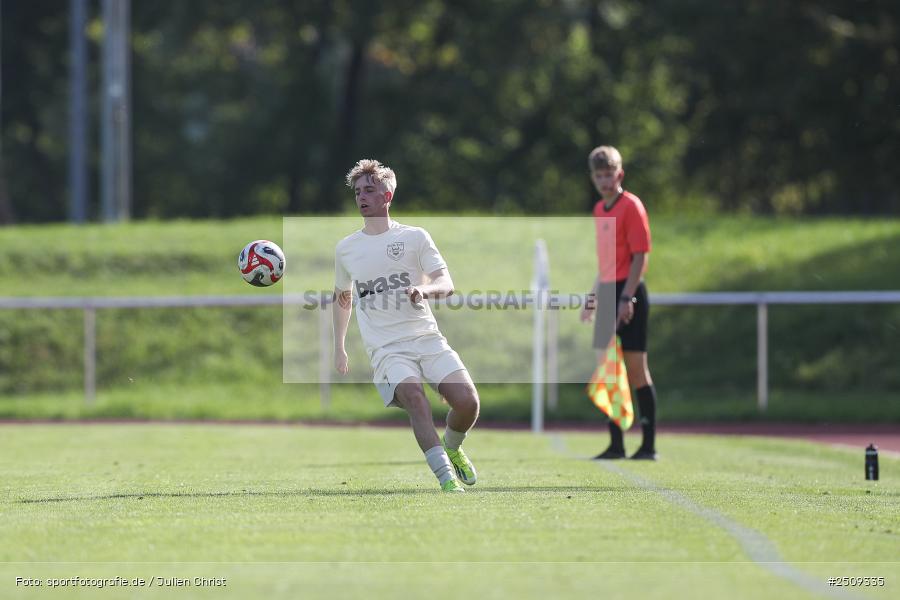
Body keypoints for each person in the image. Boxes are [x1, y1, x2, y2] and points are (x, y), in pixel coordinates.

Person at [332, 158, 479, 492]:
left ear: (388, 195)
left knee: (468, 402)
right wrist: (339, 347)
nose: (362, 197)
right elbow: (343, 298)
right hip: (387, 348)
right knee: (415, 396)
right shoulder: (346, 249)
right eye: (357, 192)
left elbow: (446, 282)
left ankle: (453, 448)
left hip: (426, 338)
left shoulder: (415, 237)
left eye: (369, 190)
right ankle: (446, 480)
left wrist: (424, 290)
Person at [580, 146, 659, 460]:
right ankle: (616, 444)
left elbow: (640, 256)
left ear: (620, 174)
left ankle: (649, 445)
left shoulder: (632, 206)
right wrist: (593, 296)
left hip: (630, 292)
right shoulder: (600, 210)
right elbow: (606, 263)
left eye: (608, 174)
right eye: (598, 175)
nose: (604, 181)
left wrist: (628, 297)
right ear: (592, 178)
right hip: (609, 291)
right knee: (608, 369)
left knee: (637, 370)